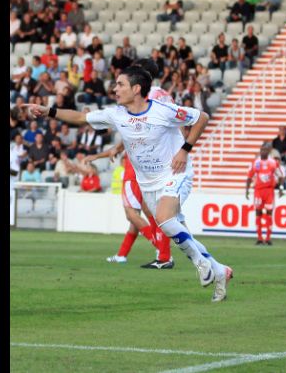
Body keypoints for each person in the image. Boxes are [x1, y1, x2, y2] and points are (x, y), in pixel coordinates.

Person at [22, 66, 233, 302]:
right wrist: (48, 111)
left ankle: (200, 262)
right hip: (148, 183)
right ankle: (219, 270)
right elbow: (80, 117)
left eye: (120, 84)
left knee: (164, 219)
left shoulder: (163, 111)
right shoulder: (117, 114)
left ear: (136, 89)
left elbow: (202, 117)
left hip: (176, 172)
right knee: (172, 228)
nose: (115, 89)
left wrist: (185, 150)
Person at [245, 144, 286, 246]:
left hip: (269, 191)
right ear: (260, 151)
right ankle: (259, 238)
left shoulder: (273, 163)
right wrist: (247, 190)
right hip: (258, 191)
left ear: (268, 151)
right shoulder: (256, 162)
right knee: (258, 213)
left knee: (269, 213)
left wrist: (281, 188)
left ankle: (268, 238)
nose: (263, 151)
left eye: (265, 150)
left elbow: (280, 176)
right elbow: (249, 177)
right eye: (262, 150)